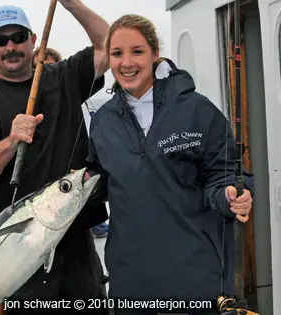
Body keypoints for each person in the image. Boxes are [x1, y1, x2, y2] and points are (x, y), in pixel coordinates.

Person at [85, 14, 254, 315]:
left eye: (137, 51)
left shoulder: (197, 110)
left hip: (195, 279)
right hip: (131, 284)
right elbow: (102, 182)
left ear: (154, 53)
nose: (127, 63)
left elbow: (224, 174)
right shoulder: (102, 121)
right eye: (117, 53)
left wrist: (231, 196)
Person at [0, 1, 110, 314]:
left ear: (33, 40)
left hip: (76, 237)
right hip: (17, 247)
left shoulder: (65, 76)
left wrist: (72, 4)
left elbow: (109, 47)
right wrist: (11, 141)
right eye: (1, 40)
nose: (10, 46)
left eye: (18, 36)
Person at [32, 45, 110, 239]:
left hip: (76, 189)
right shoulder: (28, 108)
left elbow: (103, 50)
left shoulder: (70, 92)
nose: (47, 75)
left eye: (53, 68)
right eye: (40, 69)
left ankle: (95, 225)